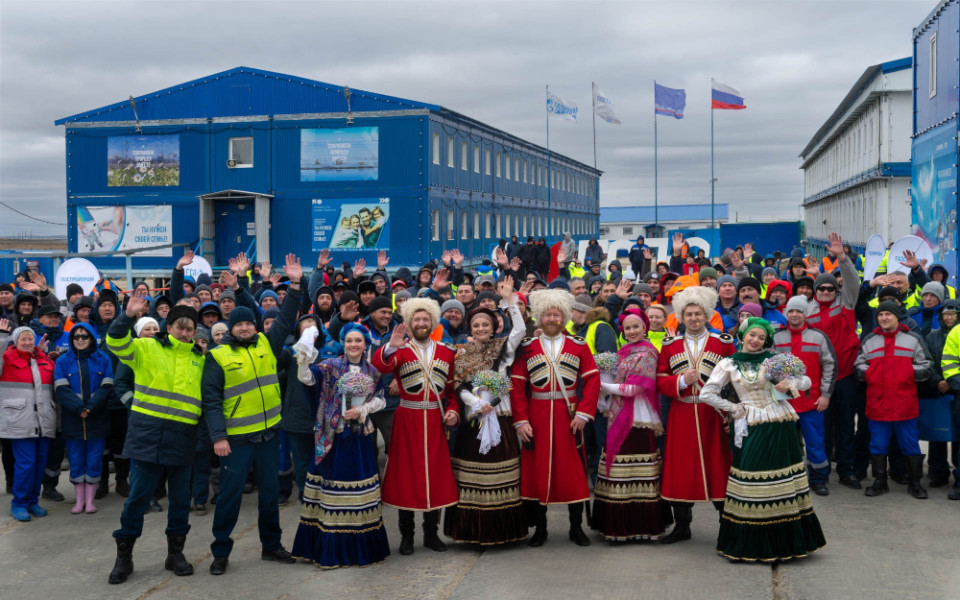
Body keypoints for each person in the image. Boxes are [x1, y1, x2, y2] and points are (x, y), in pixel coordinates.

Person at [203, 254, 303, 576]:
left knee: (270, 495)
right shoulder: (218, 355)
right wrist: (218, 436)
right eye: (239, 324)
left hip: (269, 435)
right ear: (232, 327)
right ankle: (221, 551)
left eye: (249, 322)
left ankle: (271, 546)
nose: (245, 327)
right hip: (237, 440)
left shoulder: (267, 343)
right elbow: (212, 400)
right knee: (230, 498)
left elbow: (285, 318)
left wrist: (297, 285)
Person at [699, 317, 826, 562]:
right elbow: (707, 392)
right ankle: (751, 543)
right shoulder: (729, 364)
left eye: (761, 337)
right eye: (752, 335)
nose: (755, 340)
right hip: (751, 423)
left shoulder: (772, 361)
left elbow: (806, 381)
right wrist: (734, 408)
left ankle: (785, 543)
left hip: (780, 422)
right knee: (751, 477)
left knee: (782, 479)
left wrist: (789, 382)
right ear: (743, 335)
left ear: (766, 341)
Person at [106, 294, 203, 584]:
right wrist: (127, 316)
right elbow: (115, 342)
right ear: (168, 326)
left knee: (179, 500)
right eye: (179, 327)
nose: (184, 333)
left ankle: (175, 555)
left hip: (183, 438)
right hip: (148, 435)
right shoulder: (146, 346)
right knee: (138, 498)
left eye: (189, 329)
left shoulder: (200, 358)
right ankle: (124, 556)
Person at [290, 322, 391, 568]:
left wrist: (363, 409)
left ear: (365, 344)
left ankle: (360, 551)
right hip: (333, 439)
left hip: (360, 440)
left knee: (360, 497)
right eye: (349, 341)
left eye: (358, 341)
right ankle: (331, 552)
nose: (354, 345)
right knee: (332, 495)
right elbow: (306, 379)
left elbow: (381, 399)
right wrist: (303, 357)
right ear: (343, 344)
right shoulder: (330, 366)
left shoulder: (373, 371)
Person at [371, 294, 460, 555]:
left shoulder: (447, 352)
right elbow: (381, 366)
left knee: (436, 476)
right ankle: (407, 536)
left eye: (425, 319)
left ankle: (431, 534)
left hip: (435, 421)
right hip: (407, 420)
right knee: (406, 478)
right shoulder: (400, 351)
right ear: (409, 323)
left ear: (433, 323)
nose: (421, 323)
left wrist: (453, 412)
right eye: (416, 319)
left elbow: (452, 392)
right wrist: (390, 346)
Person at [510, 290, 600, 547]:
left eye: (556, 314)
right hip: (536, 416)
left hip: (569, 415)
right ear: (540, 317)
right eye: (548, 314)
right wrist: (521, 420)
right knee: (537, 474)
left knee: (573, 473)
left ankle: (576, 528)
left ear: (564, 317)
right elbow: (517, 386)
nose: (552, 319)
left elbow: (592, 380)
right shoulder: (527, 348)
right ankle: (541, 529)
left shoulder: (578, 346)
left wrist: (583, 412)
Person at [445, 276, 528, 545]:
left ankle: (504, 532)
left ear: (493, 328)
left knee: (502, 473)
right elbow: (459, 386)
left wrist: (509, 301)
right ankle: (472, 532)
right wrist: (478, 404)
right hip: (474, 419)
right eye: (476, 325)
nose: (481, 328)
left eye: (486, 324)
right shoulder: (462, 353)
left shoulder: (501, 348)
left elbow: (519, 331)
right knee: (473, 477)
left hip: (501, 417)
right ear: (470, 328)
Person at [656, 286, 736, 544]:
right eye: (688, 314)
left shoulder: (722, 343)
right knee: (681, 469)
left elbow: (737, 382)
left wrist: (734, 416)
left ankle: (728, 525)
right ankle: (682, 527)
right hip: (682, 413)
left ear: (706, 315)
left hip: (713, 414)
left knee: (718, 466)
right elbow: (659, 380)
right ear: (680, 316)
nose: (693, 318)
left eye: (697, 314)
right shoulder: (670, 345)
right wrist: (679, 381)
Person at [592, 307, 667, 541]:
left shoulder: (649, 352)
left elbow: (635, 388)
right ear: (622, 331)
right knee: (616, 470)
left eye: (636, 327)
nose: (632, 331)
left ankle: (641, 527)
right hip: (619, 411)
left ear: (645, 327)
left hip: (638, 416)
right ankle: (618, 527)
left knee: (636, 468)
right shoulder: (623, 351)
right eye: (627, 328)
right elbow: (619, 380)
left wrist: (604, 387)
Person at [855, 301, 934, 500]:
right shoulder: (869, 340)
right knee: (878, 444)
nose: (884, 318)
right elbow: (858, 365)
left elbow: (928, 366)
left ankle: (915, 483)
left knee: (910, 444)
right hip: (877, 403)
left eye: (888, 314)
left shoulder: (913, 339)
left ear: (897, 317)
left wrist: (905, 372)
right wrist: (872, 373)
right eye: (881, 314)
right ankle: (880, 481)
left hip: (904, 403)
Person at [806, 233, 866, 489]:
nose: (827, 291)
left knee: (845, 426)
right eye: (822, 288)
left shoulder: (846, 302)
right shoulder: (806, 311)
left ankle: (846, 470)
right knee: (821, 429)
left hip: (846, 377)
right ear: (815, 290)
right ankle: (819, 474)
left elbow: (852, 280)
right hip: (818, 381)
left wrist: (842, 258)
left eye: (831, 287)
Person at [773, 296, 837, 496]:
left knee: (815, 443)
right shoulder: (776, 337)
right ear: (786, 313)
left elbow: (830, 365)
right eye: (791, 311)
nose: (794, 315)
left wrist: (826, 394)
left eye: (798, 311)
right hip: (784, 402)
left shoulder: (818, 337)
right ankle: (787, 479)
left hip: (812, 402)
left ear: (805, 313)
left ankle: (818, 479)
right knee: (784, 444)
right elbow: (768, 368)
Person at [54, 322, 114, 514]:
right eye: (76, 336)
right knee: (76, 459)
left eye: (84, 336)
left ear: (91, 338)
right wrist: (79, 408)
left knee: (95, 459)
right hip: (73, 419)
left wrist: (91, 407)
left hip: (97, 418)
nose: (80, 340)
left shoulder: (103, 359)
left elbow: (107, 387)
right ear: (71, 340)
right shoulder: (63, 361)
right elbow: (61, 389)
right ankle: (79, 501)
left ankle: (90, 501)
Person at [0, 327, 57, 521]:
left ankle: (33, 501)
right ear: (15, 341)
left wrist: (40, 354)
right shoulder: (6, 359)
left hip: (43, 421)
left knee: (39, 463)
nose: (26, 342)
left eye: (30, 338)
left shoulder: (42, 360)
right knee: (26, 464)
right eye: (22, 339)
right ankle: (19, 503)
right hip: (20, 422)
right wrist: (1, 337)